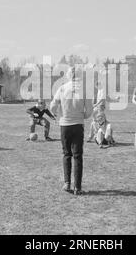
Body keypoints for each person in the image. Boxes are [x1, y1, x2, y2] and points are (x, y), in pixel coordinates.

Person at [50, 66, 94, 196]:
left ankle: (67, 183)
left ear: (68, 75)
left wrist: (55, 114)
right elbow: (89, 111)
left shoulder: (62, 88)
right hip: (78, 124)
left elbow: (53, 106)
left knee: (66, 154)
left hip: (65, 124)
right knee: (78, 156)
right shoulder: (85, 90)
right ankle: (78, 187)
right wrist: (82, 116)